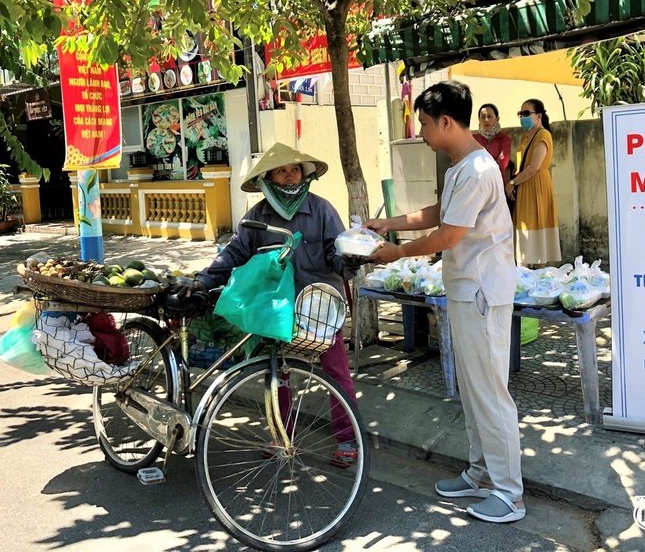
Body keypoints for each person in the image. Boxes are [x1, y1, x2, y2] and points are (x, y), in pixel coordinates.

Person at [365, 80, 525, 524]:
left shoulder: (477, 171)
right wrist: (388, 223)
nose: (421, 132)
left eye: (424, 123)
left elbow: (448, 235)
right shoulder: (461, 166)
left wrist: (397, 251)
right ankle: (480, 474)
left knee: (491, 395)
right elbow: (439, 213)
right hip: (466, 291)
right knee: (474, 394)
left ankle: (510, 494)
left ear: (447, 121)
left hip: (481, 294)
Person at [181, 142, 362, 467]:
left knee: (336, 371)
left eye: (295, 170)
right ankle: (281, 435)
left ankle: (349, 437)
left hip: (318, 307)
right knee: (277, 373)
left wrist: (351, 258)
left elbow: (337, 254)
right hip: (274, 310)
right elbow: (233, 255)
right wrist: (203, 280)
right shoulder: (257, 217)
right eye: (283, 171)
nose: (291, 176)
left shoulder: (322, 210)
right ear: (269, 179)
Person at [505, 98, 561, 266]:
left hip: (536, 186)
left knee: (536, 230)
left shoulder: (543, 135)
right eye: (521, 113)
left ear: (539, 116)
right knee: (525, 232)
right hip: (525, 186)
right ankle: (526, 275)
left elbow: (534, 166)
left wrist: (512, 183)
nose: (523, 117)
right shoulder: (526, 136)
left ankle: (539, 273)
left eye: (527, 113)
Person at [473, 103, 512, 185]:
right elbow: (470, 163)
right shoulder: (473, 139)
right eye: (482, 117)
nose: (486, 120)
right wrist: (494, 160)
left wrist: (480, 164)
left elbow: (502, 164)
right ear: (479, 119)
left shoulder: (505, 138)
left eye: (489, 116)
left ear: (497, 119)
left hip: (497, 184)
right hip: (478, 185)